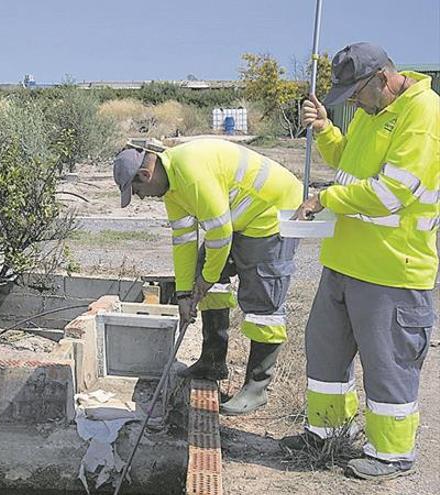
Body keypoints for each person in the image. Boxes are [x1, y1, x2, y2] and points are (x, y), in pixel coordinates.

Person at [282, 42, 439, 481]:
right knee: (325, 353)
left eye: (355, 91)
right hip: (345, 262)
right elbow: (349, 164)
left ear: (383, 79)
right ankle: (326, 434)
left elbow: (391, 194)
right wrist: (328, 131)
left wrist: (324, 198)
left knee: (388, 366)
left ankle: (391, 454)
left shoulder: (423, 116)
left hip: (391, 269)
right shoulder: (373, 113)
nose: (351, 99)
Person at [112, 137, 303, 415]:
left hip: (272, 211)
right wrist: (184, 294)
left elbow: (220, 235)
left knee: (262, 299)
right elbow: (183, 241)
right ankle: (213, 361)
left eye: (137, 190)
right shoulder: (172, 187)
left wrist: (206, 280)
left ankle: (256, 387)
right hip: (241, 215)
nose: (141, 197)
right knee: (204, 264)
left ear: (145, 174)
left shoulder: (191, 175)